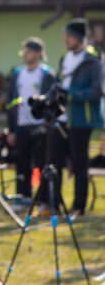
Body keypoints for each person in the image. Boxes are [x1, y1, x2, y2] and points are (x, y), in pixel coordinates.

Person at [50, 18, 104, 219]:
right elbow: (59, 83)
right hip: (61, 118)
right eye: (65, 36)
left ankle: (78, 208)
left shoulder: (93, 60)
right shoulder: (65, 57)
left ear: (80, 37)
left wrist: (71, 94)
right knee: (55, 162)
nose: (66, 40)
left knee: (79, 164)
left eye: (69, 36)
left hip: (81, 120)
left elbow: (97, 90)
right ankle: (55, 205)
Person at [4, 37, 56, 204]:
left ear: (39, 53)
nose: (25, 54)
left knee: (42, 164)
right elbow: (11, 102)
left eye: (29, 51)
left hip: (40, 126)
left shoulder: (47, 74)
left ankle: (43, 200)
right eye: (24, 51)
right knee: (22, 164)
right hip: (21, 125)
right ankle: (22, 198)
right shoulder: (17, 74)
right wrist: (11, 129)